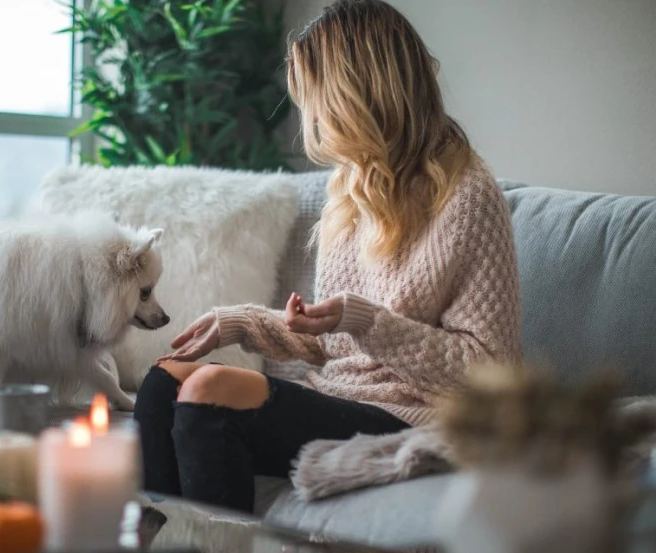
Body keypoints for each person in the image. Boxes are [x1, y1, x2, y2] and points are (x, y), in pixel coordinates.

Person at [133, 0, 521, 513]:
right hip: (337, 395)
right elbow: (333, 342)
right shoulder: (351, 185)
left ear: (358, 94)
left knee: (210, 389)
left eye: (316, 97)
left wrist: (367, 322)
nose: (310, 114)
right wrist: (242, 323)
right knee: (164, 382)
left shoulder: (467, 196)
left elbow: (489, 372)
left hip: (414, 415)